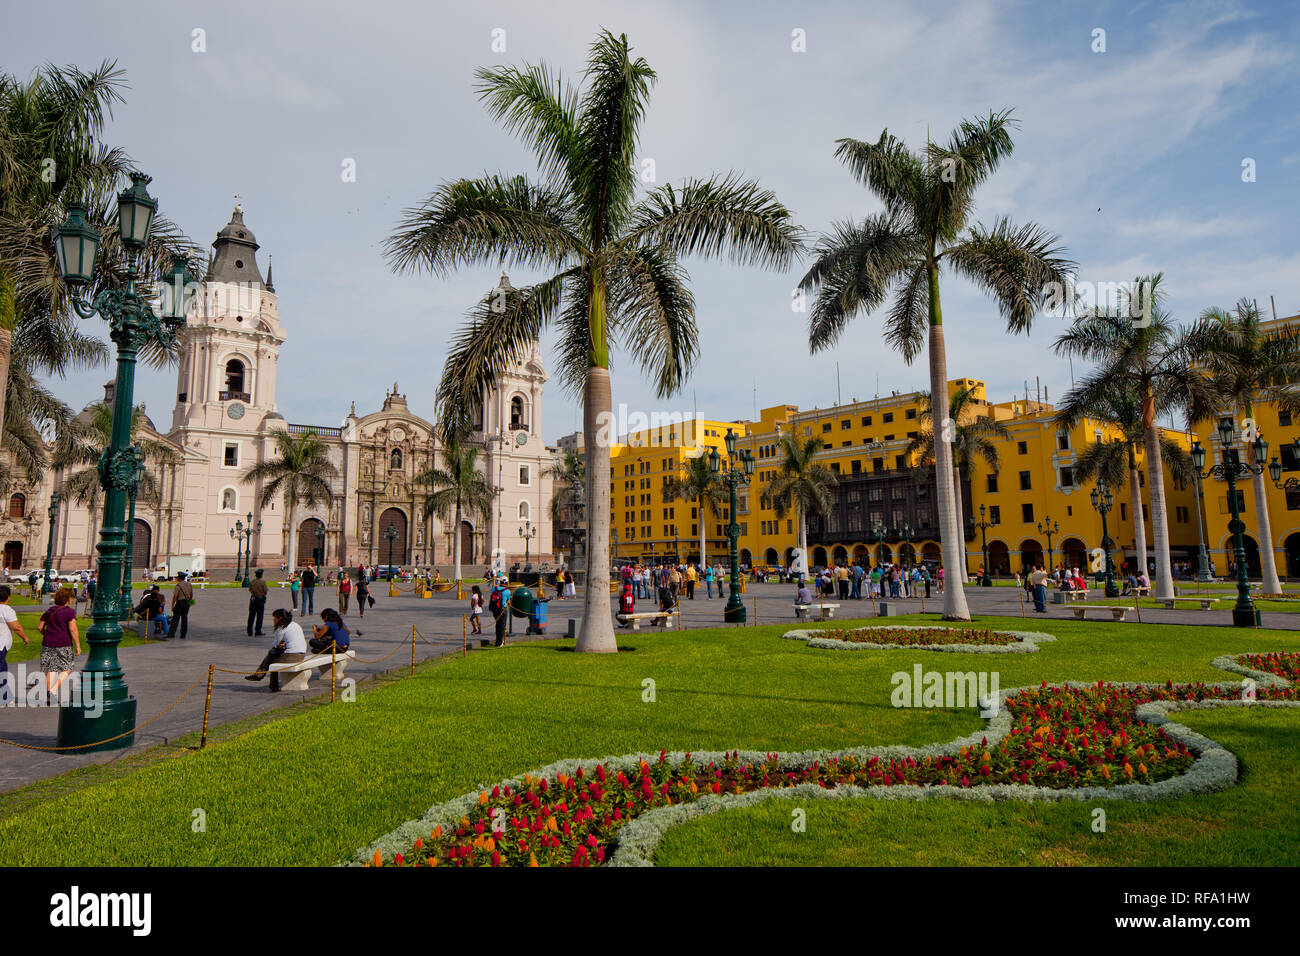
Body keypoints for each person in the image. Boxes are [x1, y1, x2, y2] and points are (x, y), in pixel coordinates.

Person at [245, 608, 307, 692]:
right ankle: (261, 676)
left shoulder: (281, 628)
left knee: (272, 656)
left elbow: (275, 644)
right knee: (272, 655)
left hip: (292, 656)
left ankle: (265, 680)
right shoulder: (295, 624)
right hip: (301, 654)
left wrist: (280, 645)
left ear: (280, 618)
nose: (273, 620)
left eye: (275, 618)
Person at [37, 586, 81, 697]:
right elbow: (73, 629)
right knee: (68, 667)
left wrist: (47, 634)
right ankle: (54, 689)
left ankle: (48, 697)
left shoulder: (50, 610)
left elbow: (40, 627)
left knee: (51, 669)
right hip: (63, 643)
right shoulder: (69, 612)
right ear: (68, 599)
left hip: (48, 643)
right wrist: (78, 645)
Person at [0, 585, 30, 705]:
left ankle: (6, 696)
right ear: (8, 598)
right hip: (1, 644)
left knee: (3, 667)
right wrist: (25, 637)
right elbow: (16, 627)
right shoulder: (6, 610)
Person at [166, 572, 194, 640]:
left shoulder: (178, 586)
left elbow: (175, 597)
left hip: (180, 603)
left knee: (175, 619)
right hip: (187, 603)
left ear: (179, 578)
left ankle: (171, 634)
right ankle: (183, 635)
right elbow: (191, 595)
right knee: (184, 618)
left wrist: (172, 606)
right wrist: (191, 604)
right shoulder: (189, 584)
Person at [489, 576, 510, 647]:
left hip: (494, 609)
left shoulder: (494, 588)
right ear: (506, 583)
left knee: (498, 625)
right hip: (502, 610)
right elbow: (508, 601)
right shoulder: (507, 591)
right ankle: (499, 642)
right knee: (502, 626)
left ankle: (499, 640)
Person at [247, 569, 269, 636]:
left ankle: (249, 631)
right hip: (260, 599)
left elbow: (250, 589)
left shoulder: (252, 581)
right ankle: (258, 631)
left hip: (253, 599)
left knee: (251, 616)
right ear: (261, 575)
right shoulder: (262, 582)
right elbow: (265, 591)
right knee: (259, 616)